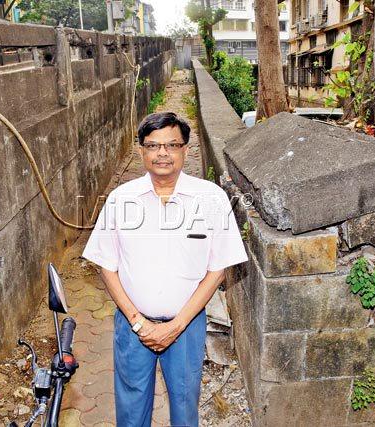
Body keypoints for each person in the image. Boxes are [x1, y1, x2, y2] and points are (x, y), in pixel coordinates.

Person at [82, 112, 248, 427]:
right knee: (131, 410)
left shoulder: (210, 198)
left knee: (185, 407)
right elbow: (107, 266)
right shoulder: (121, 200)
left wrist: (176, 325)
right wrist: (138, 322)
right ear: (141, 151)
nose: (162, 153)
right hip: (133, 328)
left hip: (186, 326)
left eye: (172, 145)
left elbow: (218, 269)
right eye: (153, 145)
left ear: (186, 149)